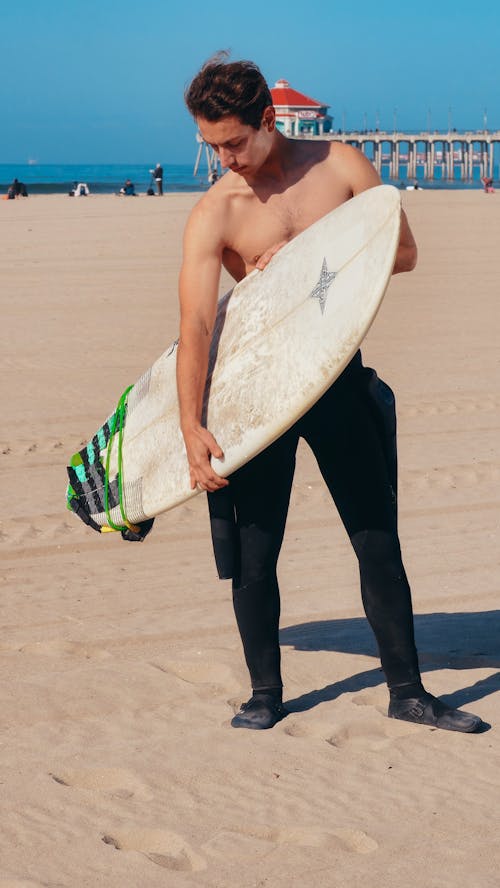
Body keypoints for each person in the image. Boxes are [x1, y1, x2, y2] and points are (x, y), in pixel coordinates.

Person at [177, 54, 483, 734]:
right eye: (211, 146)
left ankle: (409, 692)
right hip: (258, 396)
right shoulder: (215, 213)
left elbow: (402, 252)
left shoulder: (339, 165)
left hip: (336, 381)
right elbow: (197, 325)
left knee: (377, 541)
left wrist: (311, 262)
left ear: (267, 120)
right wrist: (190, 425)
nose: (224, 158)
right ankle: (264, 694)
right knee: (255, 554)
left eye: (233, 142)